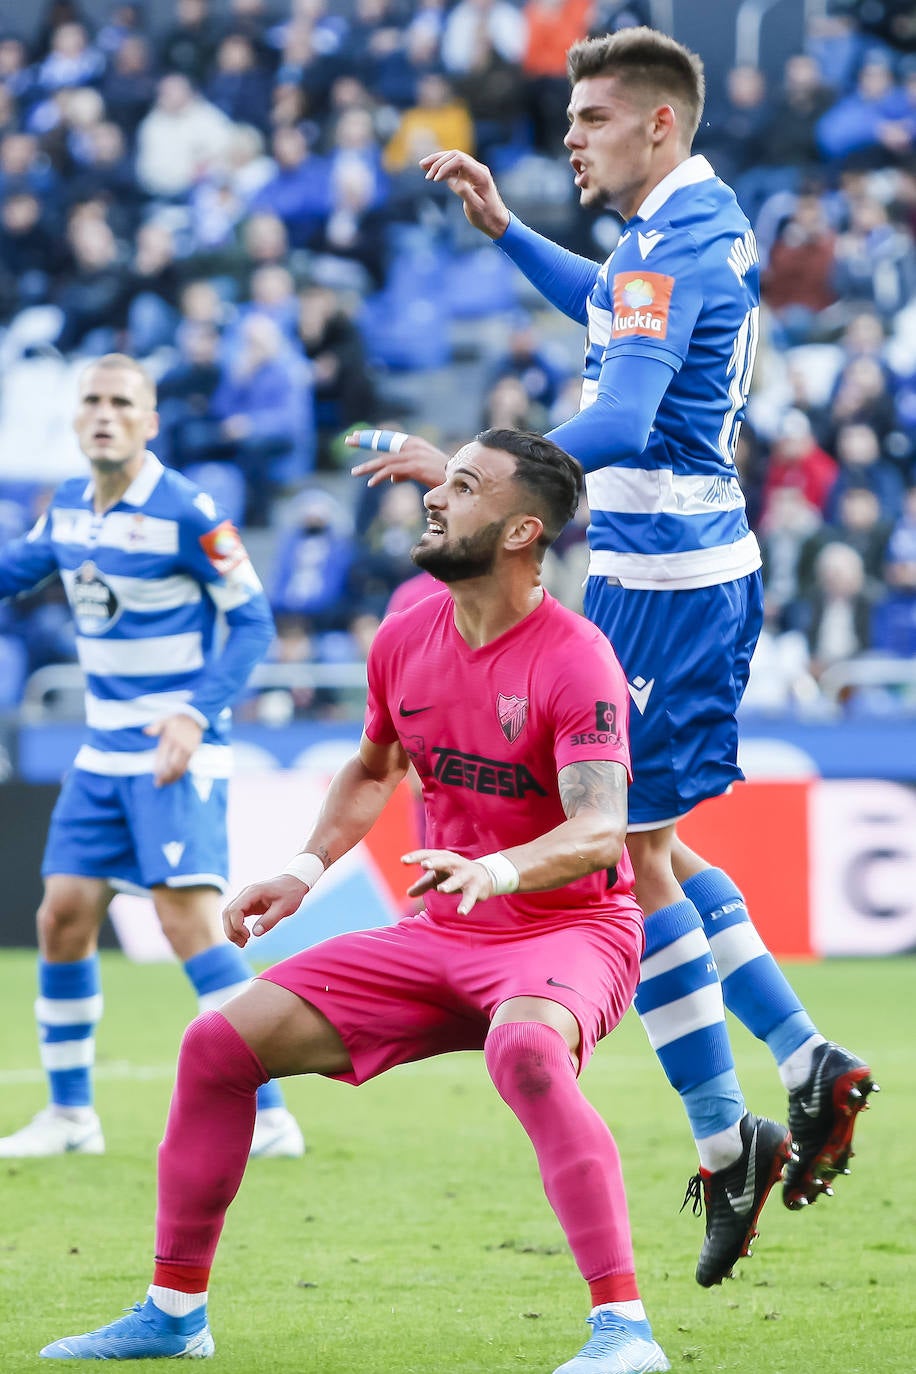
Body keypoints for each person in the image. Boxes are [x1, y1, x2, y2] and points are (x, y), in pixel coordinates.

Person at [348, 27, 876, 1287]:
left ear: (658, 125)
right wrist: (505, 236)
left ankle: (727, 1133)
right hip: (666, 575)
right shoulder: (683, 229)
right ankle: (801, 1070)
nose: (568, 135)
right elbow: (616, 303)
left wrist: (479, 472)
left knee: (626, 862)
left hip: (669, 587)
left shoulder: (672, 243)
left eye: (590, 117)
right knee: (659, 850)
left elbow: (632, 412)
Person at [39, 428, 672, 1374]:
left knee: (528, 1050)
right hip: (441, 929)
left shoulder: (576, 659)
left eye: (463, 486)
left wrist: (497, 871)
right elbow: (374, 768)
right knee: (217, 1044)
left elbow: (598, 829)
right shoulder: (406, 634)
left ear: (519, 531)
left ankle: (625, 1332)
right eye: (442, 480)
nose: (433, 497)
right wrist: (302, 869)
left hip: (568, 927)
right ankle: (175, 1312)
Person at [0, 353, 304, 1161]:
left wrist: (194, 715)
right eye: (91, 400)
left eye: (121, 402)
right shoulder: (67, 508)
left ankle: (270, 1115)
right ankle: (71, 1118)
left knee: (187, 925)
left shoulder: (185, 509)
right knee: (62, 916)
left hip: (176, 750)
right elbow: (15, 571)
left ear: (149, 421)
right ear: (76, 419)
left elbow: (253, 623)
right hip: (103, 752)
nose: (104, 413)